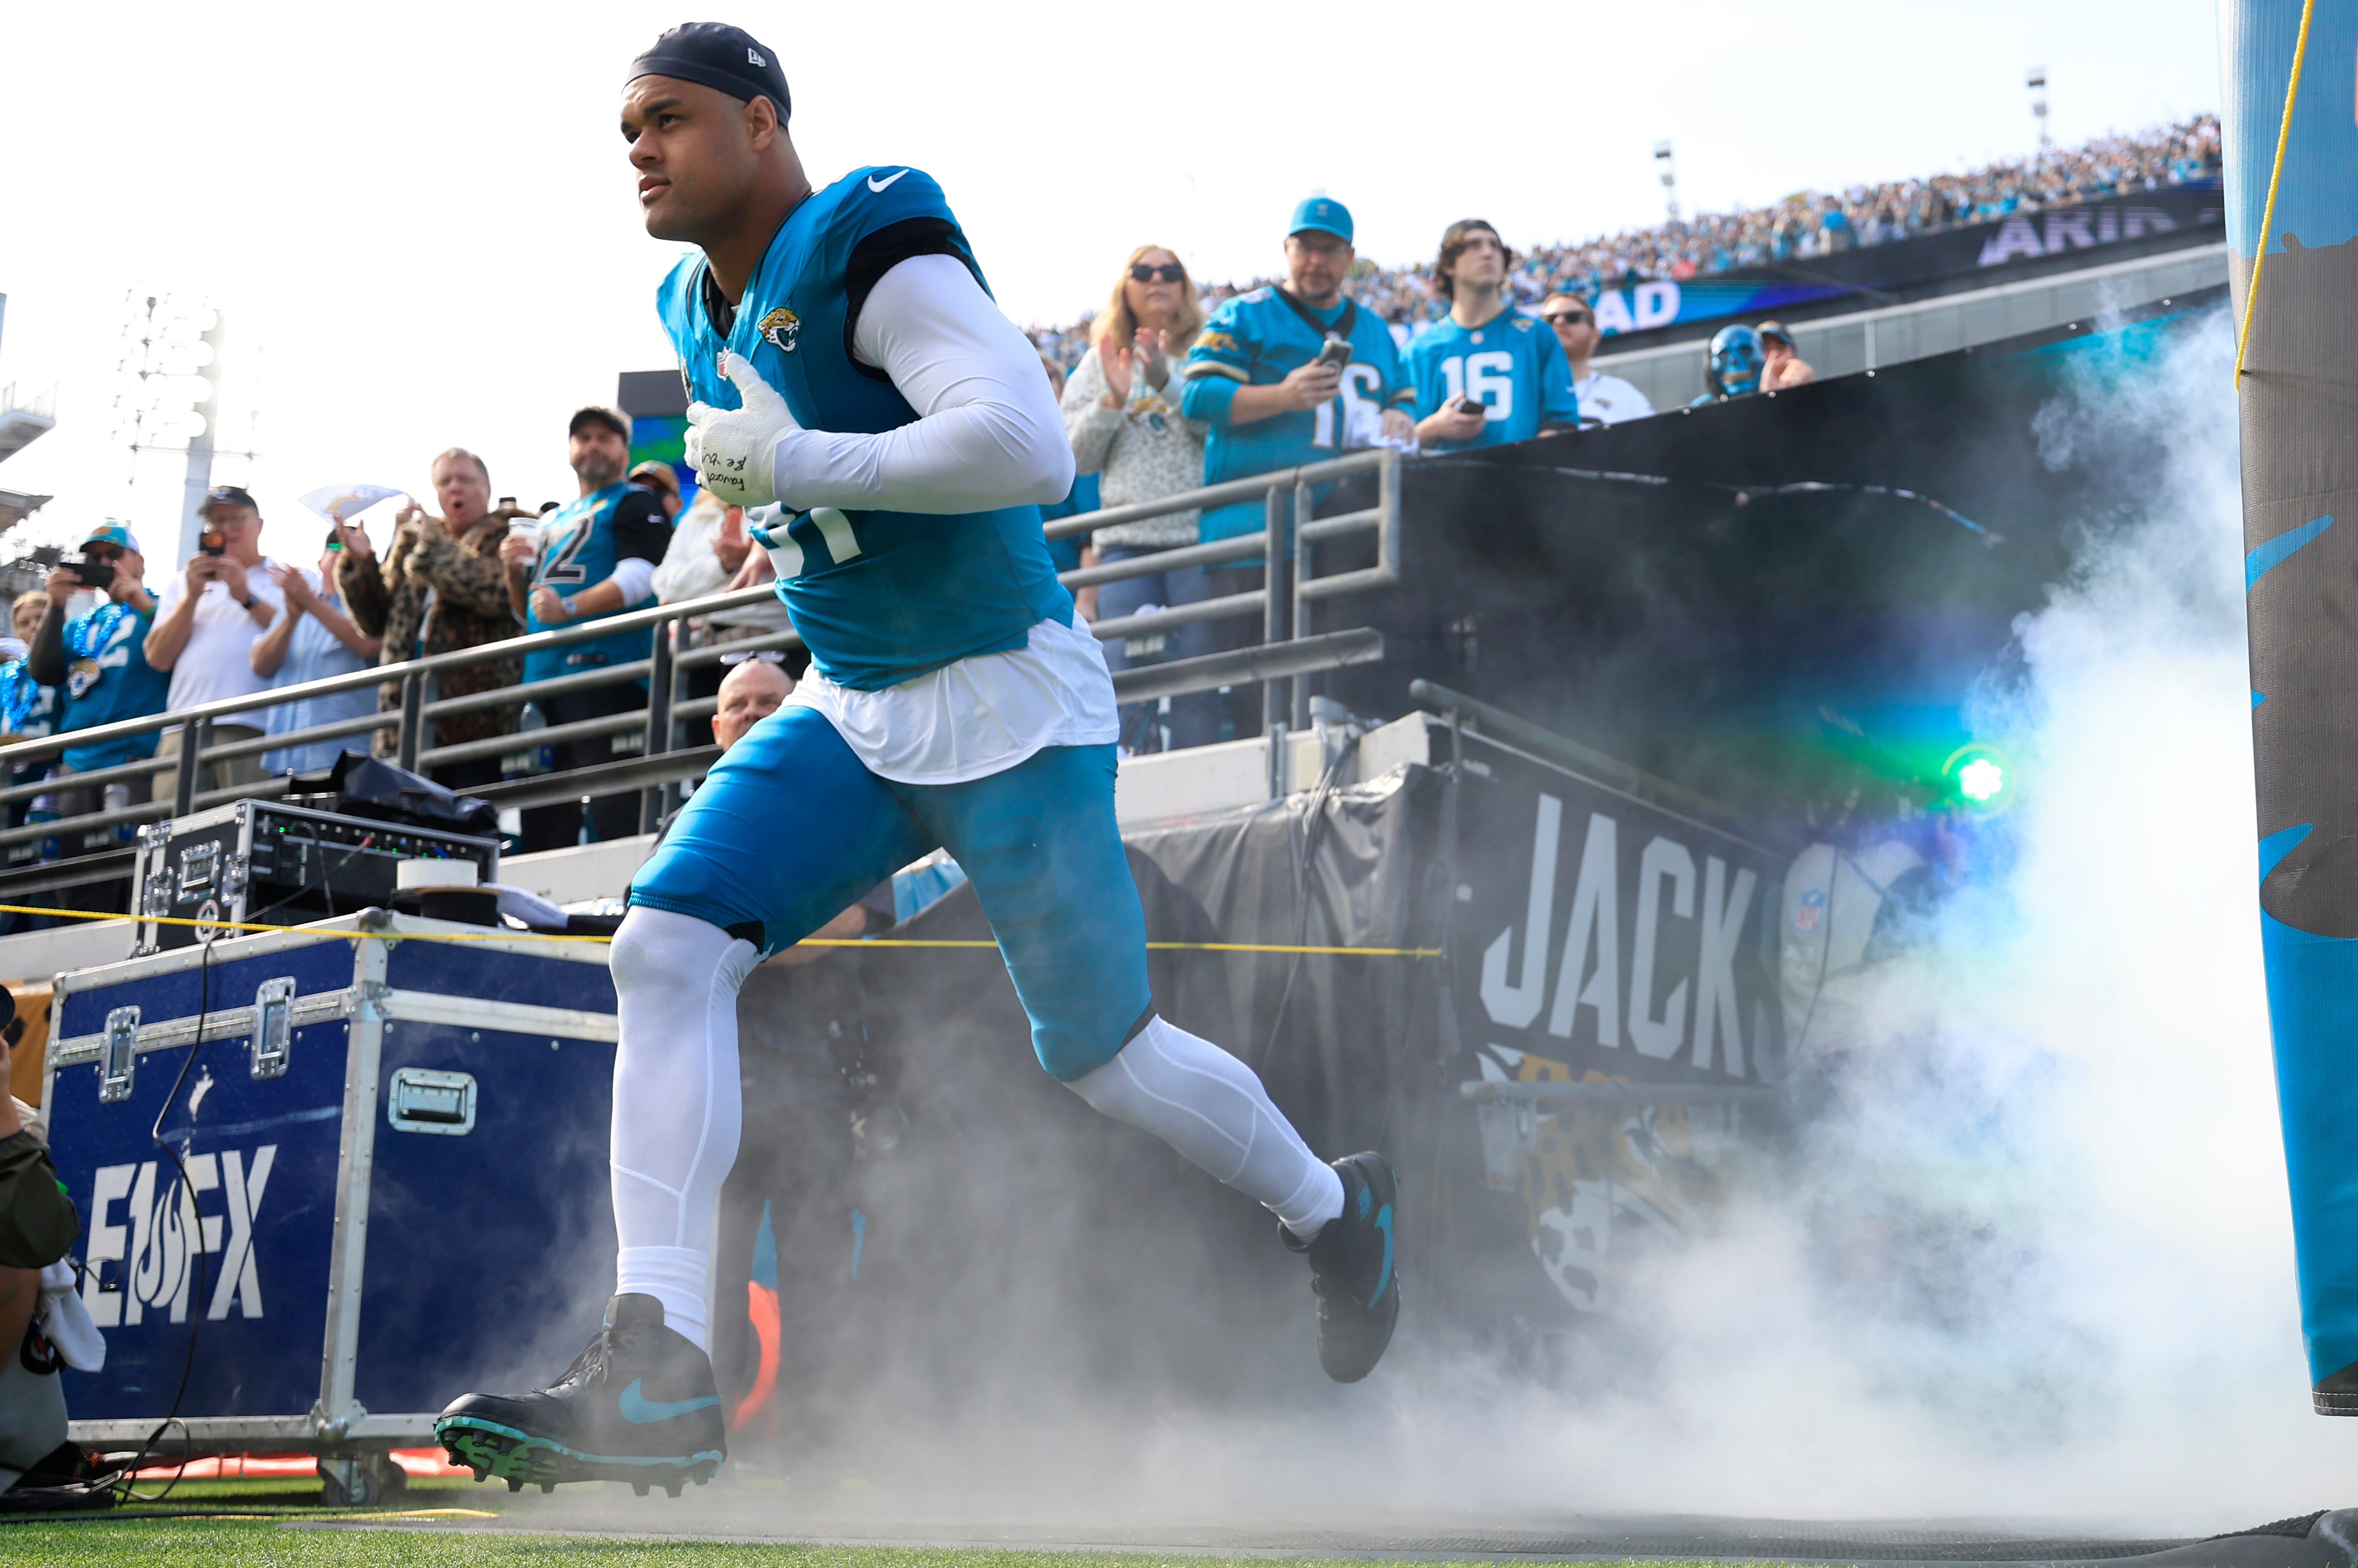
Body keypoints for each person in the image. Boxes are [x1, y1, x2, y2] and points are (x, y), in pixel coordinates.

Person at [435, 23, 1400, 1498]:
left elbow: (1027, 448)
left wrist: (803, 465)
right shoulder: (693, 310)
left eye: (670, 117)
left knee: (1103, 1057)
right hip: (855, 698)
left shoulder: (869, 240)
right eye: (625, 124)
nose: (637, 146)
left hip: (1006, 698)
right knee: (666, 943)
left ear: (761, 123)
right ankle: (659, 1361)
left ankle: (1333, 1213)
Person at [1061, 246, 1219, 750]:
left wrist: (1165, 384)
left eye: (1171, 272)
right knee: (1120, 678)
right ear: (1124, 287)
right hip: (1126, 543)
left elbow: (1218, 431)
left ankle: (1199, 780)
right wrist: (1111, 399)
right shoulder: (1098, 360)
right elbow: (1072, 458)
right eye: (1144, 272)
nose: (1158, 281)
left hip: (1197, 537)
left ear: (1185, 285)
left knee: (1199, 674)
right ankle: (1122, 789)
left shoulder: (1209, 351)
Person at [501, 408, 672, 852]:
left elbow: (641, 577)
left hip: (608, 673)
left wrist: (572, 607)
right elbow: (530, 613)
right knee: (542, 819)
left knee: (615, 811)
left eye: (605, 437)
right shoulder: (552, 518)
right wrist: (512, 573)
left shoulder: (634, 501)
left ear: (624, 451)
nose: (593, 445)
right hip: (543, 681)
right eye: (583, 437)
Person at [339, 448, 523, 796]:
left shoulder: (507, 532)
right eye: (445, 482)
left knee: (468, 817)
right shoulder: (416, 539)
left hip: (476, 714)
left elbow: (495, 592)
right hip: (405, 710)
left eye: (465, 480)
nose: (455, 489)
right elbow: (376, 622)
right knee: (403, 819)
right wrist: (362, 563)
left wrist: (433, 550)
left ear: (486, 488)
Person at [144, 485, 286, 804]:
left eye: (236, 518)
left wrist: (245, 595)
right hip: (183, 728)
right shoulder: (182, 584)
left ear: (259, 525)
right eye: (216, 522)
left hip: (252, 726)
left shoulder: (284, 578)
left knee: (246, 835)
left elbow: (298, 639)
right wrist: (192, 596)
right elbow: (157, 657)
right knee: (173, 833)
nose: (225, 529)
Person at [27, 526, 169, 843]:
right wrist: (56, 605)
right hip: (78, 761)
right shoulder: (80, 623)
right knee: (73, 870)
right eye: (94, 557)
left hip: (135, 760)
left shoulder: (163, 606)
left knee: (128, 868)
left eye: (114, 554)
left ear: (139, 561)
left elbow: (186, 647)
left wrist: (141, 601)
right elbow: (44, 673)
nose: (104, 561)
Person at [1407, 220, 1579, 453]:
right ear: (1449, 265)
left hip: (1527, 483)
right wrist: (1434, 428)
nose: (1488, 253)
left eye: (1495, 246)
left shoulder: (1537, 336)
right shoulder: (1419, 351)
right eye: (1473, 245)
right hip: (1444, 485)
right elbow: (1397, 445)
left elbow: (1563, 422)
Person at [252, 532, 384, 775]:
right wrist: (292, 616)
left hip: (346, 761)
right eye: (335, 545)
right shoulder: (292, 609)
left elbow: (368, 645)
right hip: (285, 761)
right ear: (321, 560)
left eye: (352, 549)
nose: (341, 552)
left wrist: (308, 602)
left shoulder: (371, 610)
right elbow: (260, 665)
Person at [1539, 292, 1655, 426]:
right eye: (1549, 320)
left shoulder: (1624, 394)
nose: (1559, 322)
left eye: (1573, 317)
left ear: (1594, 336)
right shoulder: (1520, 395)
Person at [1691, 323, 1767, 405]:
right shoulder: (1701, 409)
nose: (1735, 361)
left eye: (1746, 351)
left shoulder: (1780, 403)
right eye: (1723, 355)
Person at [1758, 321, 1816, 390]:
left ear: (1793, 353)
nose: (1774, 355)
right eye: (1766, 349)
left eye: (1781, 348)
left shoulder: (1799, 372)